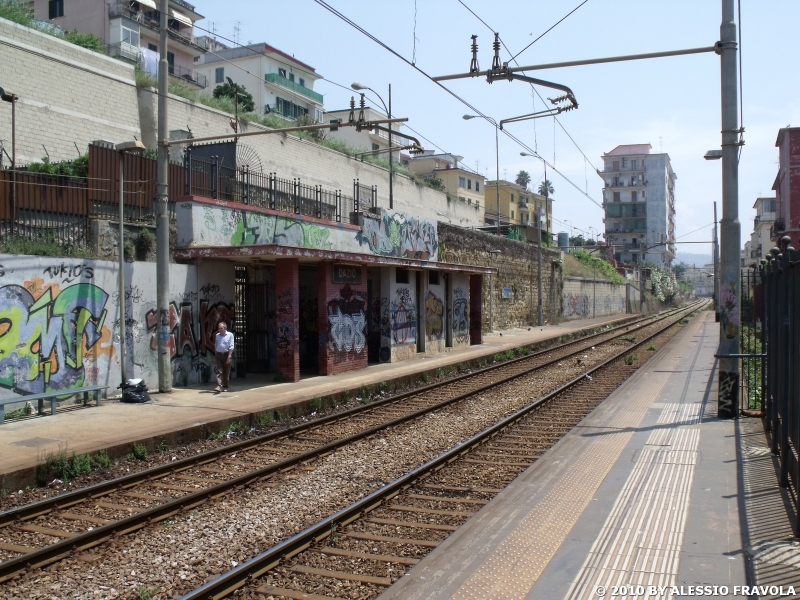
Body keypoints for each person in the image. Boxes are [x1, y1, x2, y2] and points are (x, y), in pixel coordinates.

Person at [214, 322, 234, 393]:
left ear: (225, 328)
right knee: (219, 371)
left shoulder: (230, 335)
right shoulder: (217, 335)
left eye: (221, 328)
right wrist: (215, 356)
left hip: (226, 355)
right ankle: (219, 386)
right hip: (218, 355)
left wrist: (229, 356)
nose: (219, 329)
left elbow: (231, 346)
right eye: (219, 328)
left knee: (226, 372)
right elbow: (216, 345)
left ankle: (226, 386)